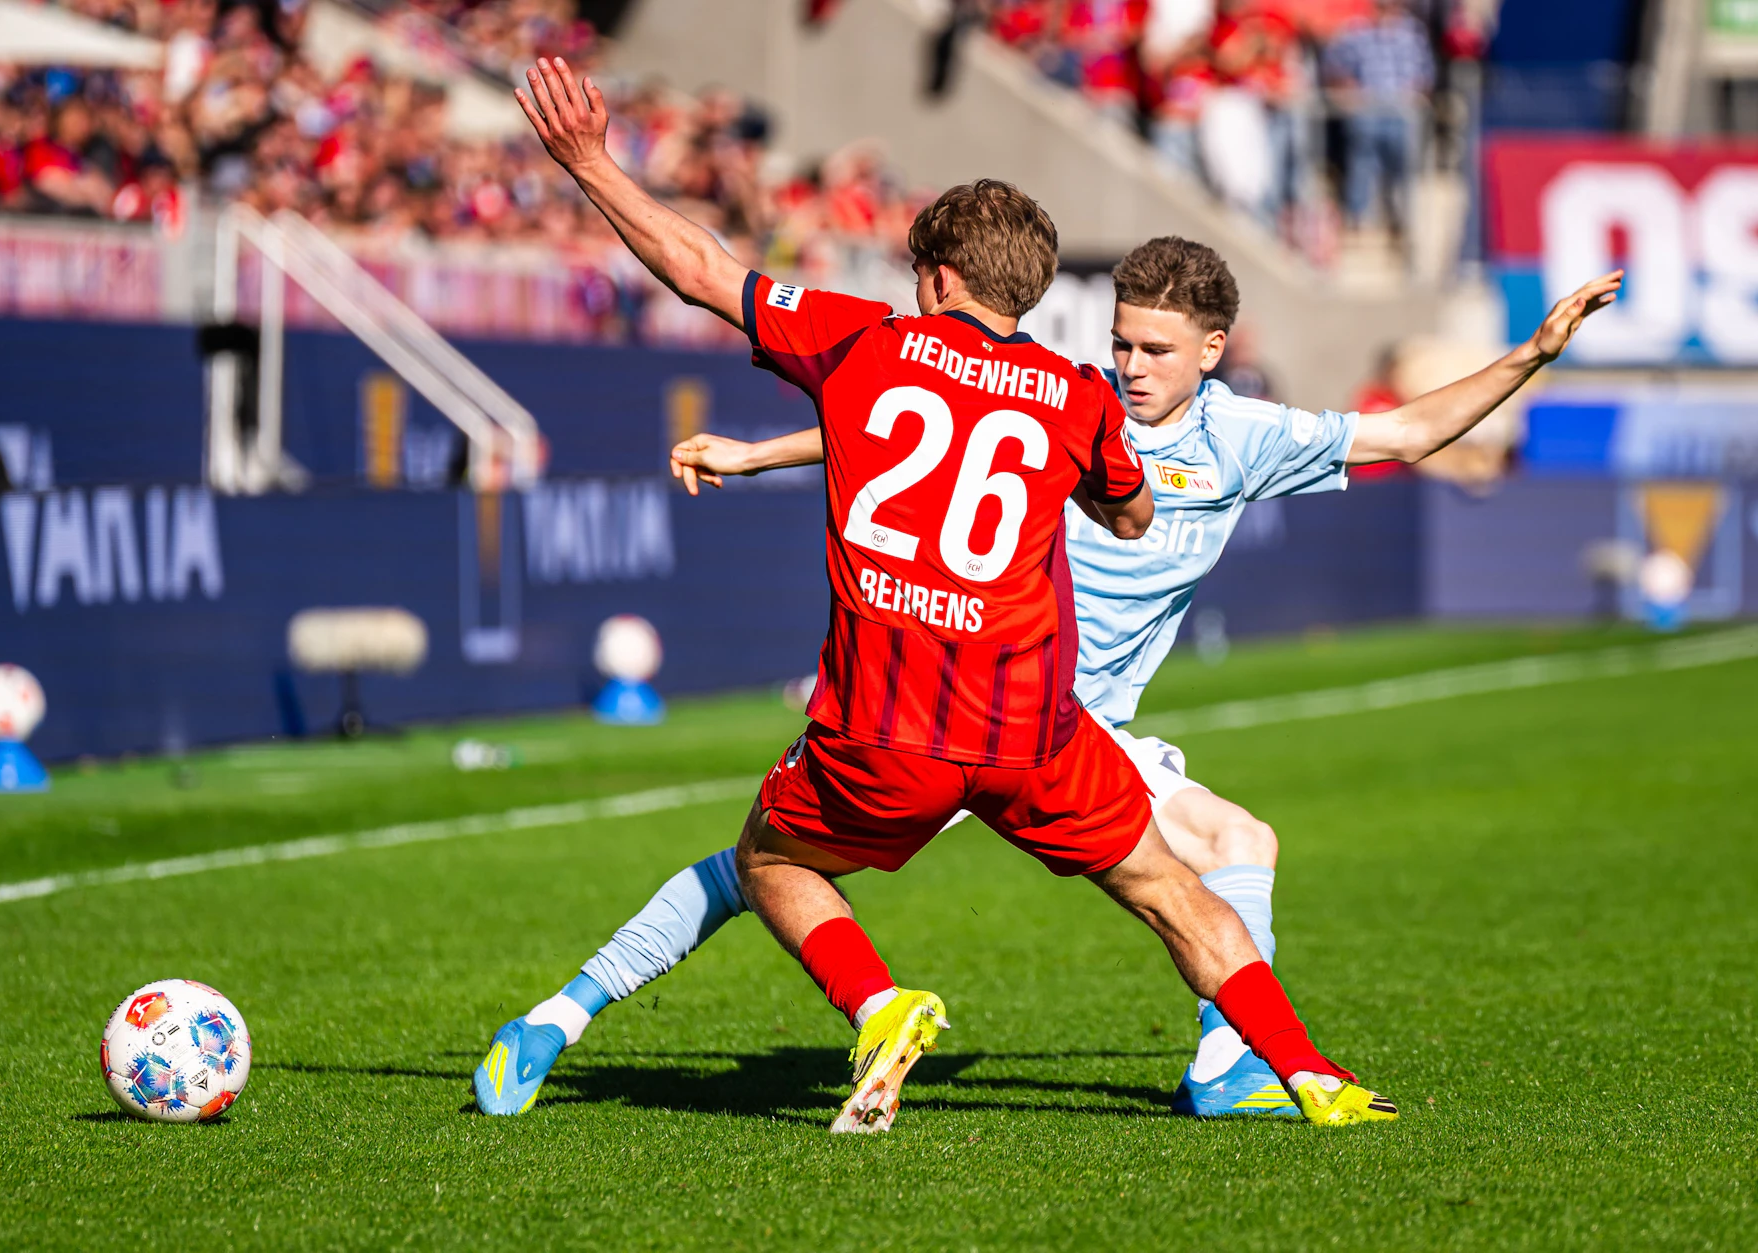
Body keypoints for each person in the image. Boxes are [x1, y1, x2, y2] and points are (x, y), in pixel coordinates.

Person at [485, 234, 1621, 1121]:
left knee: (1231, 844)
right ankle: (561, 1012)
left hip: (1064, 728)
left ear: (1211, 351)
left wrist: (1529, 355)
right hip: (988, 704)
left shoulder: (1249, 439)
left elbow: (1412, 430)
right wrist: (758, 449)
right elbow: (896, 423)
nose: (1126, 366)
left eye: (1153, 350)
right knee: (755, 871)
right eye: (1120, 342)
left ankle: (1228, 1066)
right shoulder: (1064, 393)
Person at [477, 56, 1400, 1132]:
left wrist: (590, 160)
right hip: (1032, 733)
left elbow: (697, 266)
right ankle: (1309, 1073)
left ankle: (870, 1001)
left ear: (935, 280)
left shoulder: (863, 346)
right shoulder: (1073, 398)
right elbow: (1133, 511)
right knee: (1174, 892)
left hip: (886, 722)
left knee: (764, 860)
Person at [1324, 0, 1435, 239]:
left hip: (1402, 115)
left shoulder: (1413, 33)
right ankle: (1358, 219)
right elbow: (1334, 66)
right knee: (1362, 161)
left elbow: (1427, 75)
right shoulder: (1357, 30)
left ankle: (1400, 218)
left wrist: (1416, 94)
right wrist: (1347, 91)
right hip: (1368, 112)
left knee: (1403, 167)